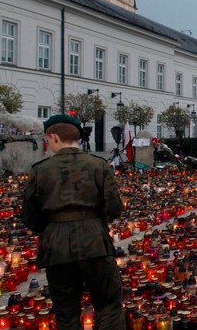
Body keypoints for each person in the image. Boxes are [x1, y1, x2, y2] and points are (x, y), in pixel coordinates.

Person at [21, 115, 125, 330]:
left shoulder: (41, 170)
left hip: (56, 244)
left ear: (54, 136)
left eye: (48, 140)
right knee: (108, 305)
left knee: (66, 309)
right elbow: (114, 207)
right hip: (94, 239)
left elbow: (30, 215)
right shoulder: (98, 165)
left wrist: (50, 227)